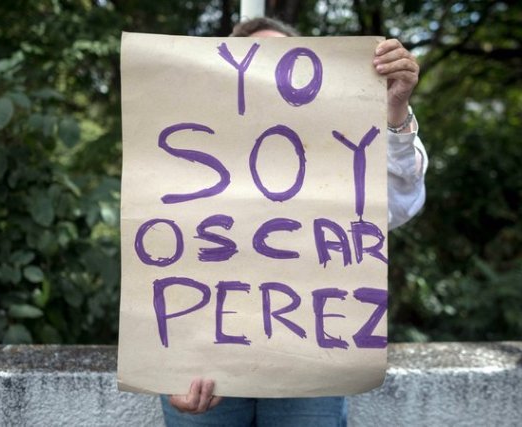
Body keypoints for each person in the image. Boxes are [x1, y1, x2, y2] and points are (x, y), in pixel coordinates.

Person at [160, 16, 428, 427]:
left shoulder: (343, 134)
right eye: (260, 61)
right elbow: (156, 247)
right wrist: (164, 360)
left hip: (310, 359)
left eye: (284, 60)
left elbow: (396, 206)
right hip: (203, 361)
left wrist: (394, 109)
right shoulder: (186, 144)